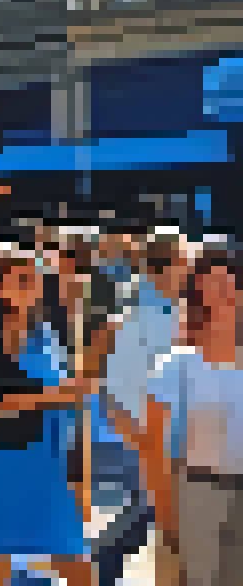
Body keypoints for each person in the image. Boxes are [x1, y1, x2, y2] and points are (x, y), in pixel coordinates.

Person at [0, 255, 95, 586]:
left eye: (34, 279)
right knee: (3, 556)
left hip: (52, 461)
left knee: (74, 559)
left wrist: (80, 475)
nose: (33, 287)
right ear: (0, 289)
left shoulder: (46, 333)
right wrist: (47, 398)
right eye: (22, 281)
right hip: (9, 460)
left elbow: (69, 401)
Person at [144, 249, 243, 586]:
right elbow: (154, 450)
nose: (225, 290)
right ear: (199, 295)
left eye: (230, 282)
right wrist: (167, 519)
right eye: (213, 283)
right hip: (197, 493)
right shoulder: (175, 364)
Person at [97, 241, 186, 586]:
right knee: (153, 512)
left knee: (149, 512)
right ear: (165, 270)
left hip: (145, 433)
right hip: (149, 436)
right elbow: (120, 384)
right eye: (184, 264)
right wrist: (139, 437)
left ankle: (106, 557)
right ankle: (104, 556)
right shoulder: (155, 318)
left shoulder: (143, 312)